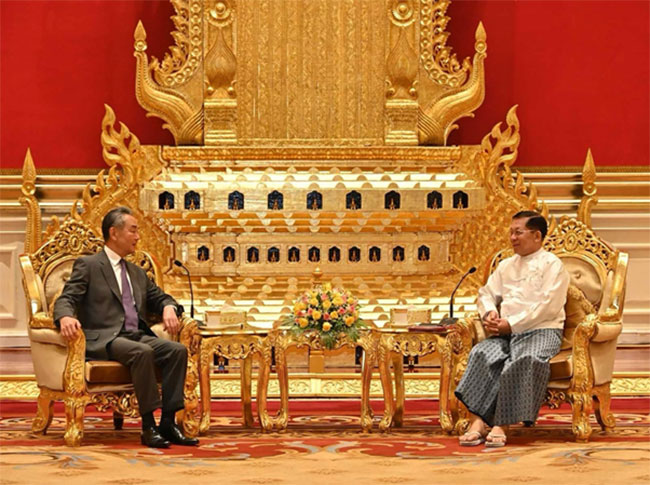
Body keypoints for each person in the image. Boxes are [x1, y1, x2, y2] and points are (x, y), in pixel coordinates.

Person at [54, 206, 199, 448]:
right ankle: (148, 426)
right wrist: (65, 317)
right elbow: (66, 299)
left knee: (177, 351)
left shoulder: (137, 272)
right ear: (114, 232)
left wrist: (169, 308)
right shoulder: (89, 265)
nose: (138, 236)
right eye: (133, 230)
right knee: (142, 353)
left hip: (136, 335)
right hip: (106, 338)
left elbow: (162, 298)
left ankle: (168, 422)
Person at [455, 210, 569, 447]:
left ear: (537, 236)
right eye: (511, 233)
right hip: (504, 332)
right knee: (481, 353)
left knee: (523, 359)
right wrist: (490, 314)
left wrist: (513, 324)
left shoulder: (552, 265)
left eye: (518, 232)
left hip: (542, 331)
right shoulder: (506, 265)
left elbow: (549, 306)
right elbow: (486, 294)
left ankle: (501, 423)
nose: (512, 238)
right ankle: (476, 421)